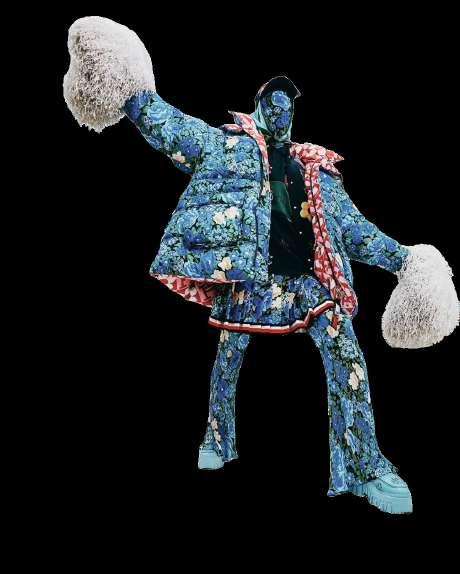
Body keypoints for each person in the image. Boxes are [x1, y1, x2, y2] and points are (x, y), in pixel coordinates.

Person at [63, 16, 459, 514]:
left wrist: (403, 260)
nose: (280, 106)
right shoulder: (228, 147)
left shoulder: (317, 171)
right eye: (272, 99)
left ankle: (365, 468)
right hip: (250, 281)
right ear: (257, 106)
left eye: (287, 101)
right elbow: (174, 130)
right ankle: (217, 439)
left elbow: (355, 230)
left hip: (310, 283)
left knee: (348, 359)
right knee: (228, 358)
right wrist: (133, 93)